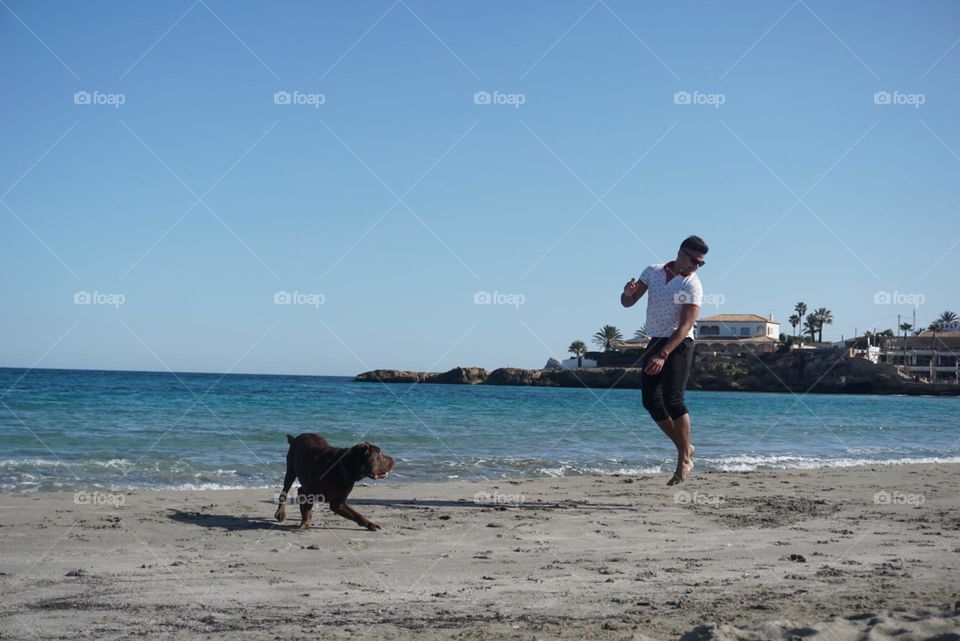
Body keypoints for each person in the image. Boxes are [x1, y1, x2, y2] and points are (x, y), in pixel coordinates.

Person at [621, 235, 708, 485]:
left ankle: (682, 461)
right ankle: (686, 447)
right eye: (694, 261)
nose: (696, 266)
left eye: (701, 264)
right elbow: (628, 303)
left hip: (680, 344)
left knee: (674, 399)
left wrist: (663, 355)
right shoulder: (652, 272)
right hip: (656, 340)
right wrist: (627, 293)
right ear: (681, 253)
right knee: (650, 401)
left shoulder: (692, 285)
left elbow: (684, 327)